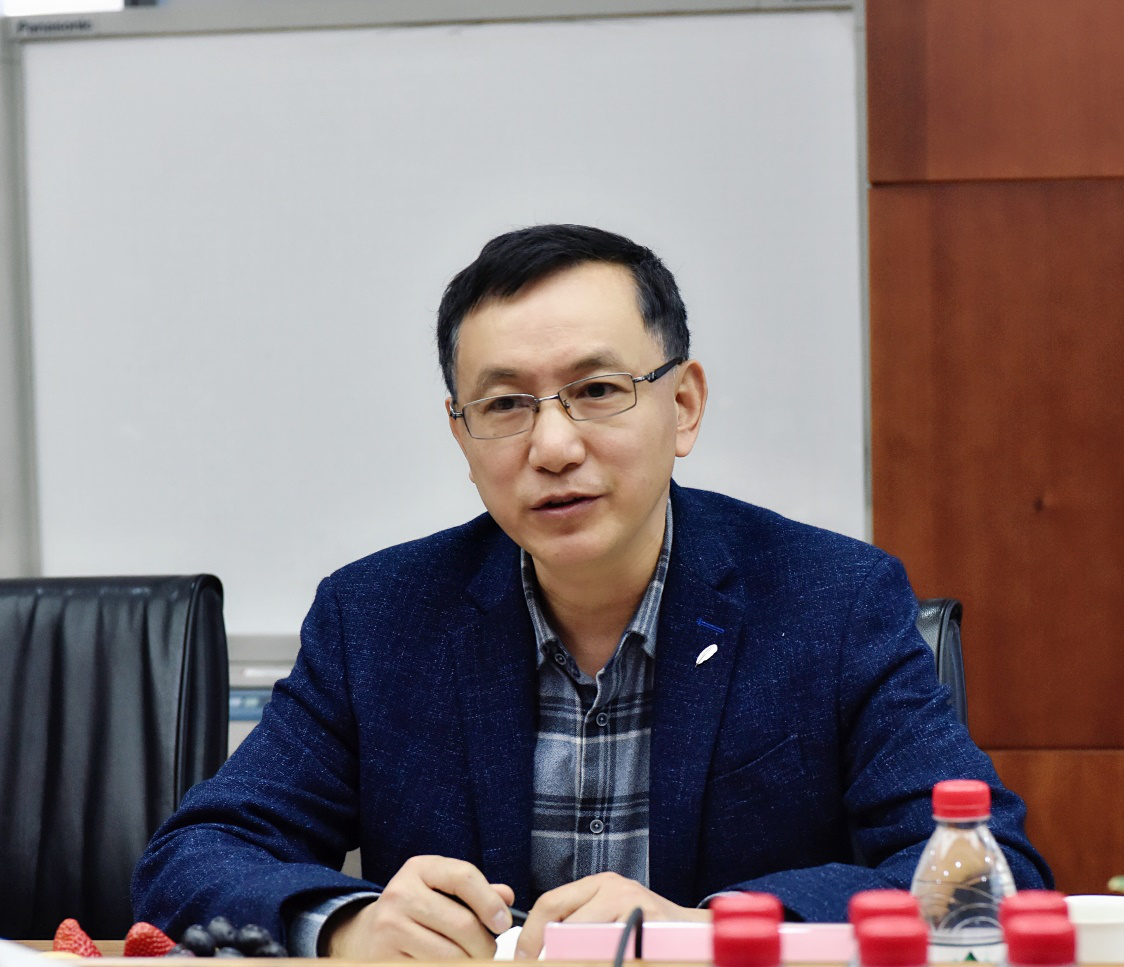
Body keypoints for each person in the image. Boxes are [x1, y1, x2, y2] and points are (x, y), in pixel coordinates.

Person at [133, 224, 1050, 959]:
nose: (554, 445)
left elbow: (991, 874)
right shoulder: (377, 617)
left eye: (598, 389)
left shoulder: (832, 601)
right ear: (461, 435)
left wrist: (708, 930)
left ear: (683, 405)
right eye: (505, 405)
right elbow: (193, 856)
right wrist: (348, 923)